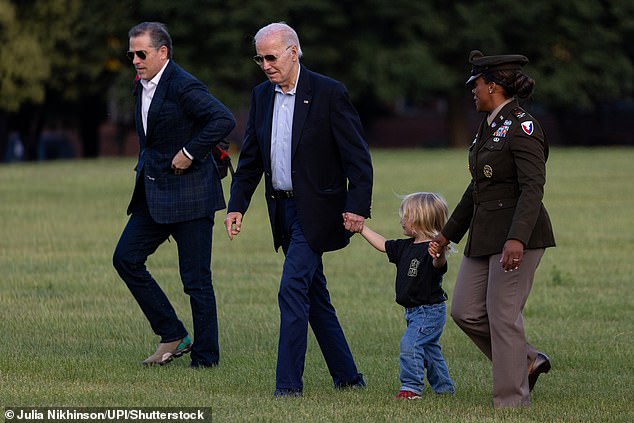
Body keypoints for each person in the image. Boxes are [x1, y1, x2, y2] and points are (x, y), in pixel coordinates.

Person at [224, 22, 372, 396]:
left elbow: (358, 159)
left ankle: (287, 388)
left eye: (271, 56)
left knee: (291, 289)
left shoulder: (329, 93)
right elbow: (252, 157)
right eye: (259, 58)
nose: (265, 65)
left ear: (293, 52)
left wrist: (358, 207)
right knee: (314, 296)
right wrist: (237, 205)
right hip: (282, 213)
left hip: (319, 212)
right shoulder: (261, 96)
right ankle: (348, 378)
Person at [429, 50, 555, 408]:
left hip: (519, 237)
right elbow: (477, 190)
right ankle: (526, 360)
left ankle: (512, 401)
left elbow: (533, 188)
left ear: (494, 86)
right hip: (484, 235)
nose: (473, 91)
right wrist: (446, 234)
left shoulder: (523, 126)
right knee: (465, 310)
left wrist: (516, 238)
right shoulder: (489, 126)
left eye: (477, 84)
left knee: (502, 316)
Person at [112, 22, 236, 368]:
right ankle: (172, 333)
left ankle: (206, 359)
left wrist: (190, 151)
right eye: (131, 54)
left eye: (142, 53)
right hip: (155, 194)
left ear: (162, 52)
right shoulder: (141, 85)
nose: (135, 60)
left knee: (196, 281)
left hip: (193, 196)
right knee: (125, 258)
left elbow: (222, 119)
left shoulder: (183, 84)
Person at [358, 192, 455, 400]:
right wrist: (361, 228)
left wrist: (438, 255)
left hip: (429, 311)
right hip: (413, 312)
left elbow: (439, 266)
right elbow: (383, 245)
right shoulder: (405, 247)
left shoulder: (434, 249)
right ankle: (445, 388)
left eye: (406, 216)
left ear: (421, 220)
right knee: (429, 350)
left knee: (410, 344)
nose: (402, 219)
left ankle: (410, 388)